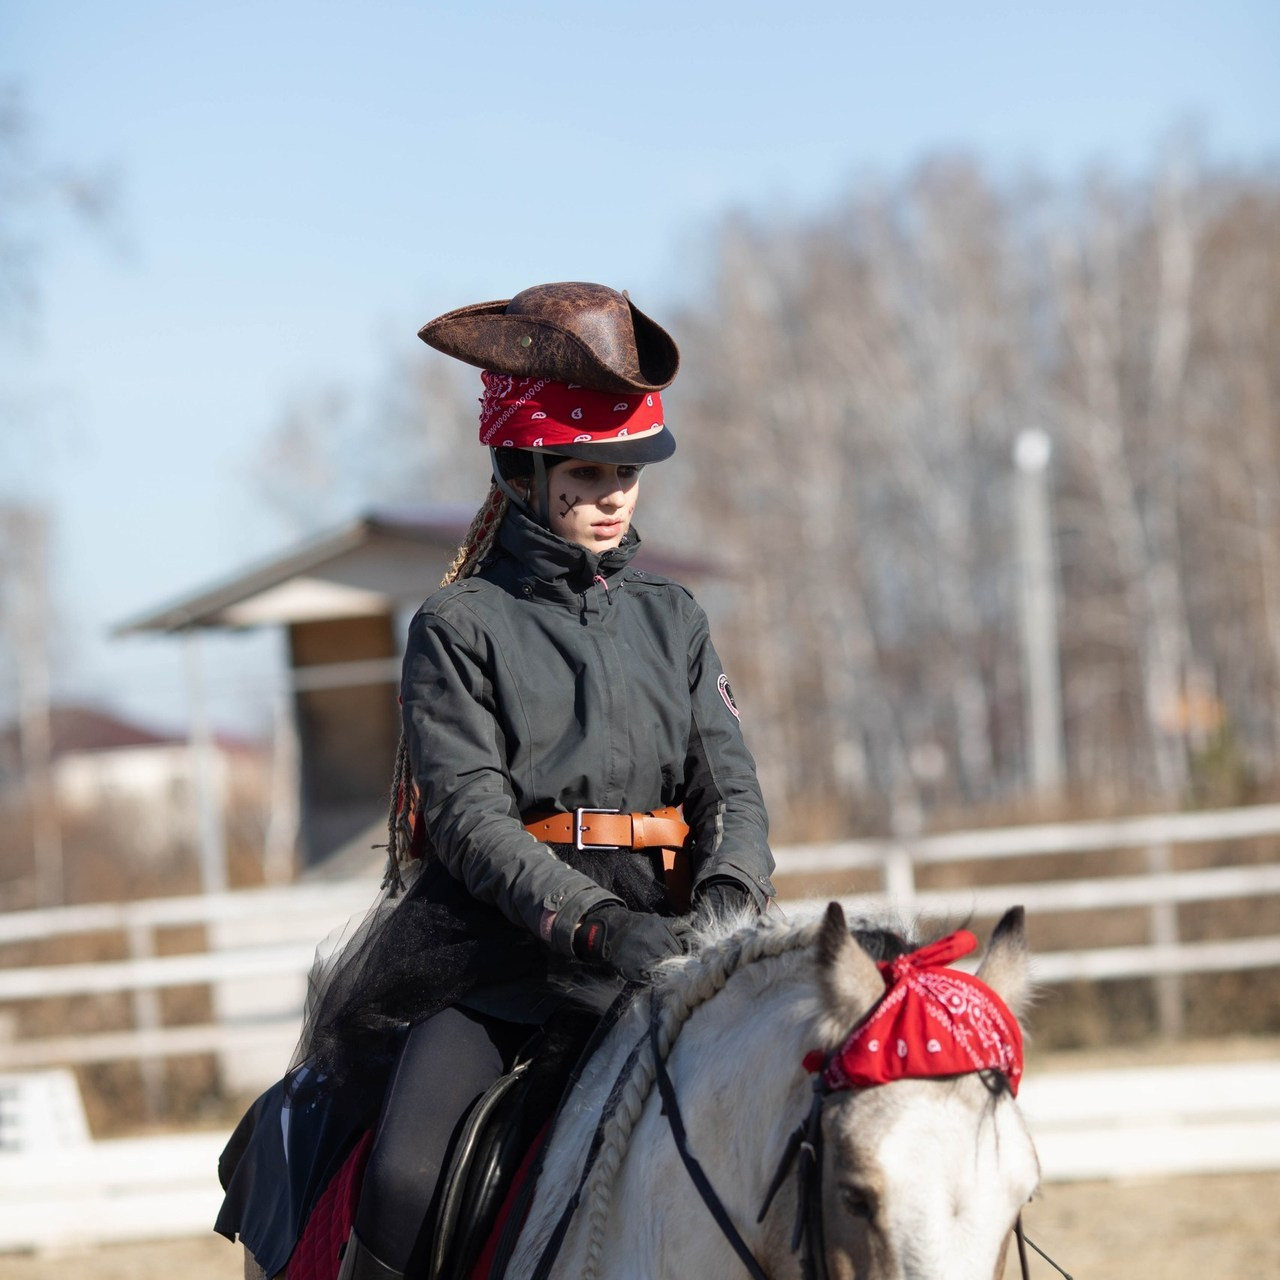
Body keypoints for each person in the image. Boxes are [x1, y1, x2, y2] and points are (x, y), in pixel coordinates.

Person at [219, 281, 776, 1280]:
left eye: (629, 472)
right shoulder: (459, 625)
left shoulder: (675, 617)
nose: (612, 494)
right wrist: (594, 923)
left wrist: (730, 897)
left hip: (676, 939)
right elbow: (473, 821)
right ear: (524, 471)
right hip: (502, 957)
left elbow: (726, 784)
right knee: (400, 1177)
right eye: (586, 471)